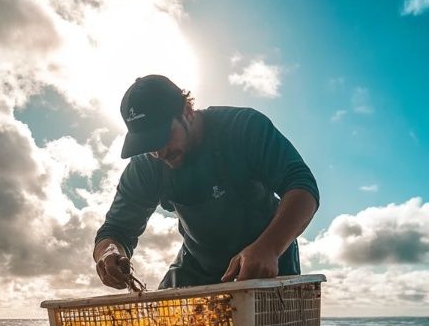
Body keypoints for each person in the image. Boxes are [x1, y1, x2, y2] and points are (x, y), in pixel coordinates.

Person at [94, 74, 319, 290]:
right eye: (148, 144)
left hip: (269, 264)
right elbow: (115, 230)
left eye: (162, 137)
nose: (159, 152)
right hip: (196, 268)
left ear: (187, 111)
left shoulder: (243, 128)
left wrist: (269, 247)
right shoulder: (146, 165)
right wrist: (108, 252)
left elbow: (301, 186)